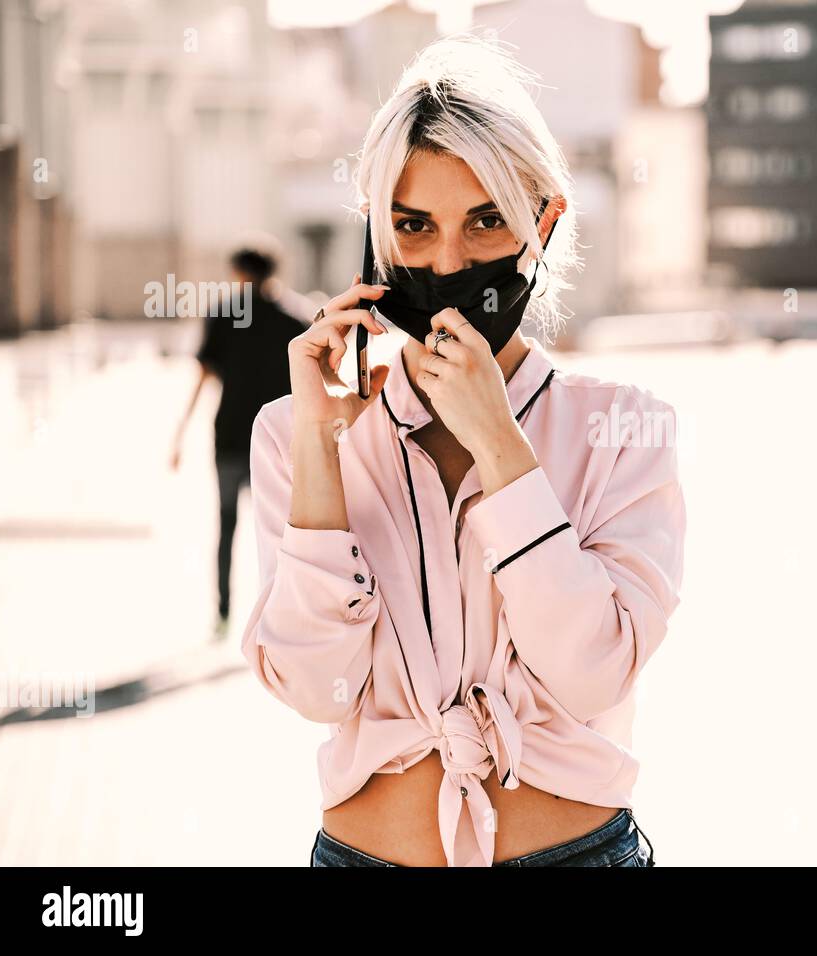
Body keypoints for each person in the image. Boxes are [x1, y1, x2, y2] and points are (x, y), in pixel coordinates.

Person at [239, 34, 685, 868]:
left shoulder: (625, 428)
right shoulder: (294, 432)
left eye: (486, 221)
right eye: (414, 225)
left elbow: (593, 674)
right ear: (377, 232)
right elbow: (315, 687)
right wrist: (322, 453)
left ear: (542, 223)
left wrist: (500, 447)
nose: (448, 262)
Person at [171, 237, 308, 640]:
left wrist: (178, 436)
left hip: (231, 438)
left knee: (227, 525)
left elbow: (201, 379)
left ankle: (224, 613)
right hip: (283, 443)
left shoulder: (223, 316)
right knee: (289, 532)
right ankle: (285, 615)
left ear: (239, 273)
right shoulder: (294, 319)